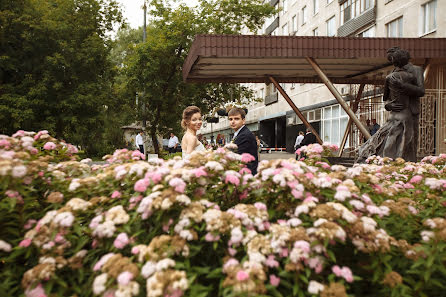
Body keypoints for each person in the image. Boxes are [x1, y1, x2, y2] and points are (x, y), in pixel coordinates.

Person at [357, 48, 419, 162]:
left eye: (391, 58)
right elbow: (387, 99)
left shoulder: (414, 71)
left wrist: (401, 87)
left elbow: (420, 91)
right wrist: (388, 105)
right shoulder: (403, 76)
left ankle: (390, 163)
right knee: (398, 141)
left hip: (406, 112)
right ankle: (391, 163)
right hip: (400, 113)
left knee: (401, 142)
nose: (390, 61)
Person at [228, 108, 258, 175]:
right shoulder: (239, 133)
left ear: (243, 121)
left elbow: (235, 156)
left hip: (247, 174)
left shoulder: (245, 135)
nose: (233, 121)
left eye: (236, 119)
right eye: (230, 119)